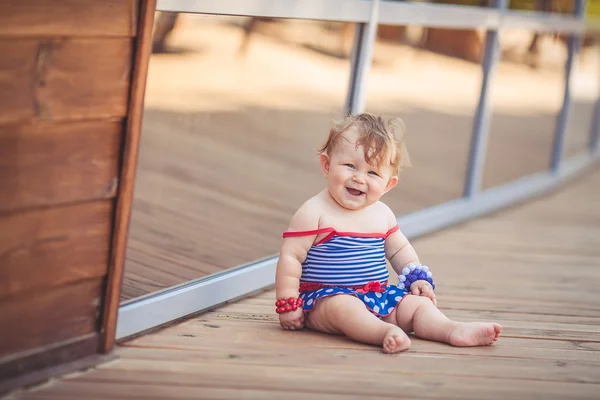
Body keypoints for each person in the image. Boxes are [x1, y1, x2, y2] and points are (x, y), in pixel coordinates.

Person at [274, 113, 502, 354]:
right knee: (344, 307)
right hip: (323, 299)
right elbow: (291, 258)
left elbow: (400, 250)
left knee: (417, 306)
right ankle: (385, 333)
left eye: (372, 173)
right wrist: (288, 302)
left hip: (377, 296)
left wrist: (417, 277)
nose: (359, 178)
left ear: (388, 184)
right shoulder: (314, 211)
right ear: (327, 165)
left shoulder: (382, 215)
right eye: (350, 166)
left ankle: (451, 329)